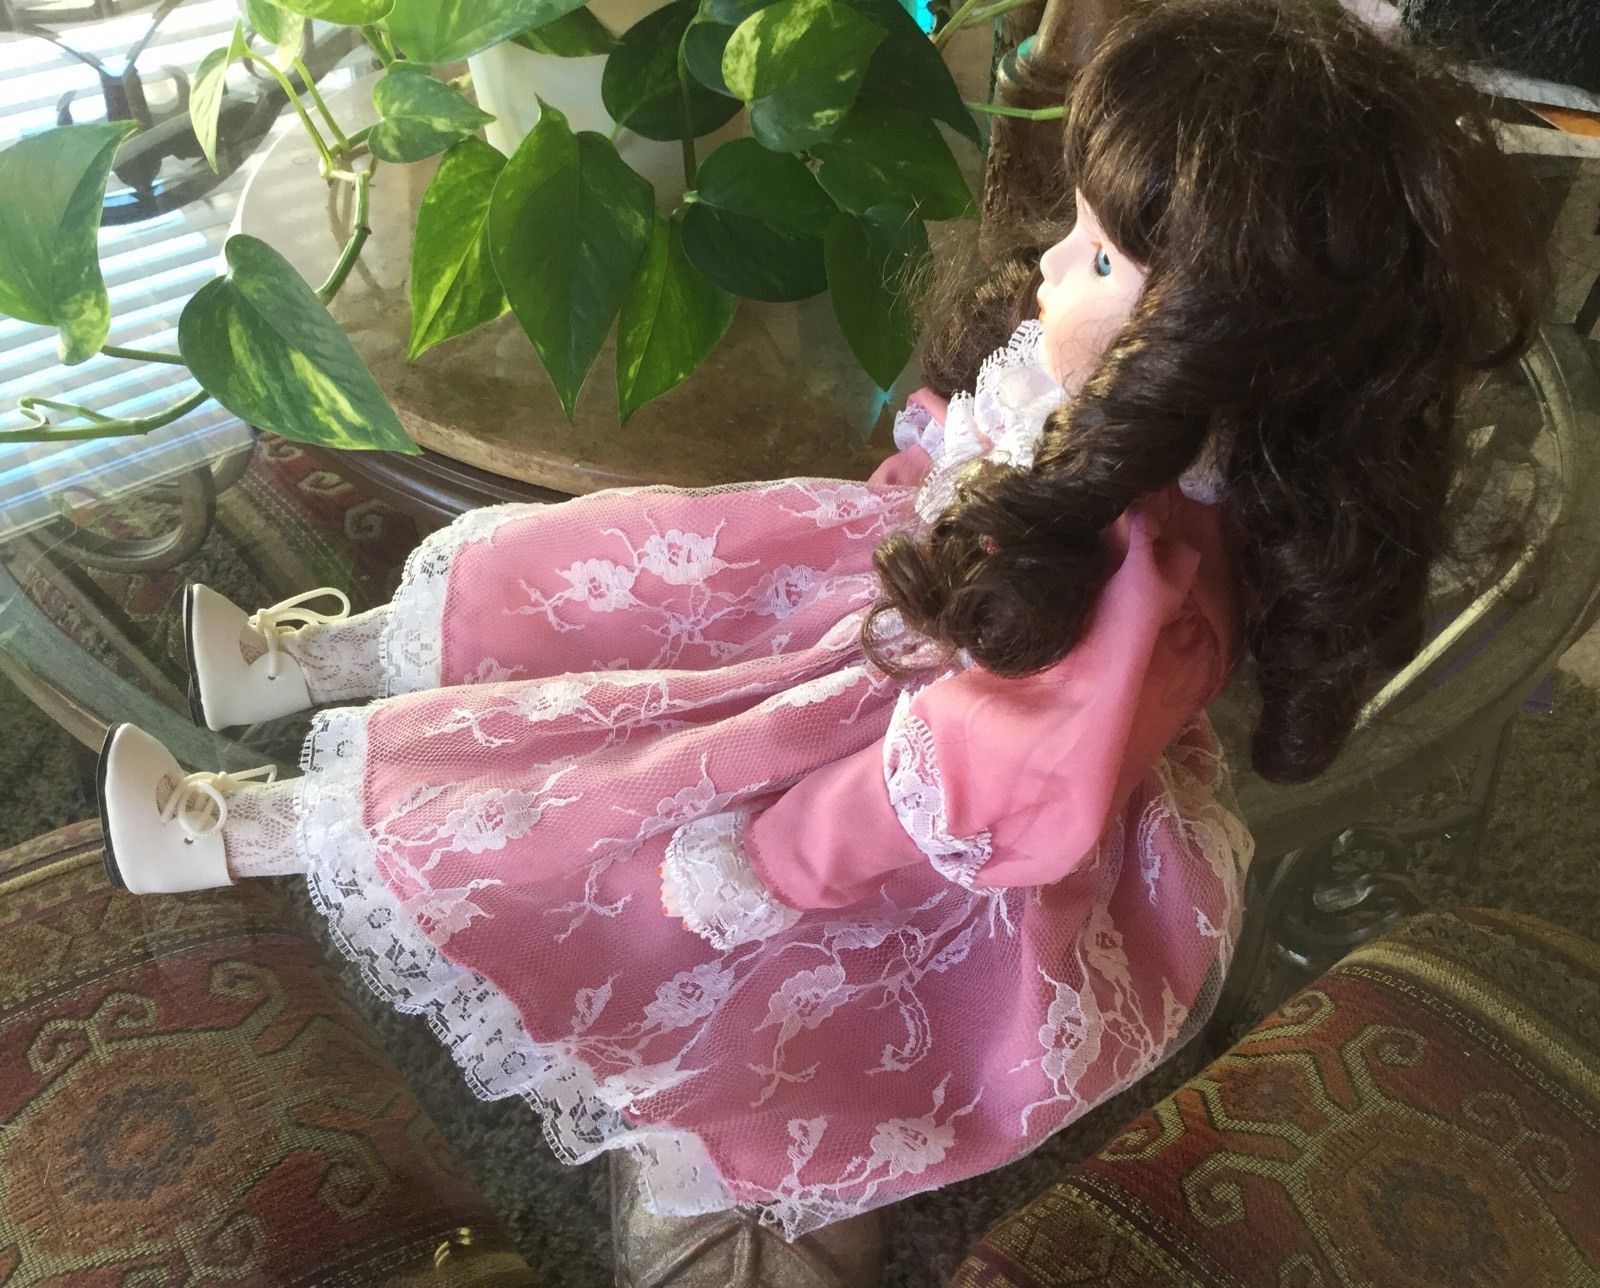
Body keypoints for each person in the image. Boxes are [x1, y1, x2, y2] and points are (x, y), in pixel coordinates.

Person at [95, 0, 1546, 1239]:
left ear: (1228, 335)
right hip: (875, 610)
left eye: (1105, 259)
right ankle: (300, 664)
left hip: (891, 776)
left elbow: (980, 782)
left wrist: (783, 856)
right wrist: (897, 505)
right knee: (589, 577)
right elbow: (959, 472)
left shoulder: (1139, 595)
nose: (1055, 263)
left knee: (576, 802)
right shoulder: (1104, 422)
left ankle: (236, 831)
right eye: (1082, 230)